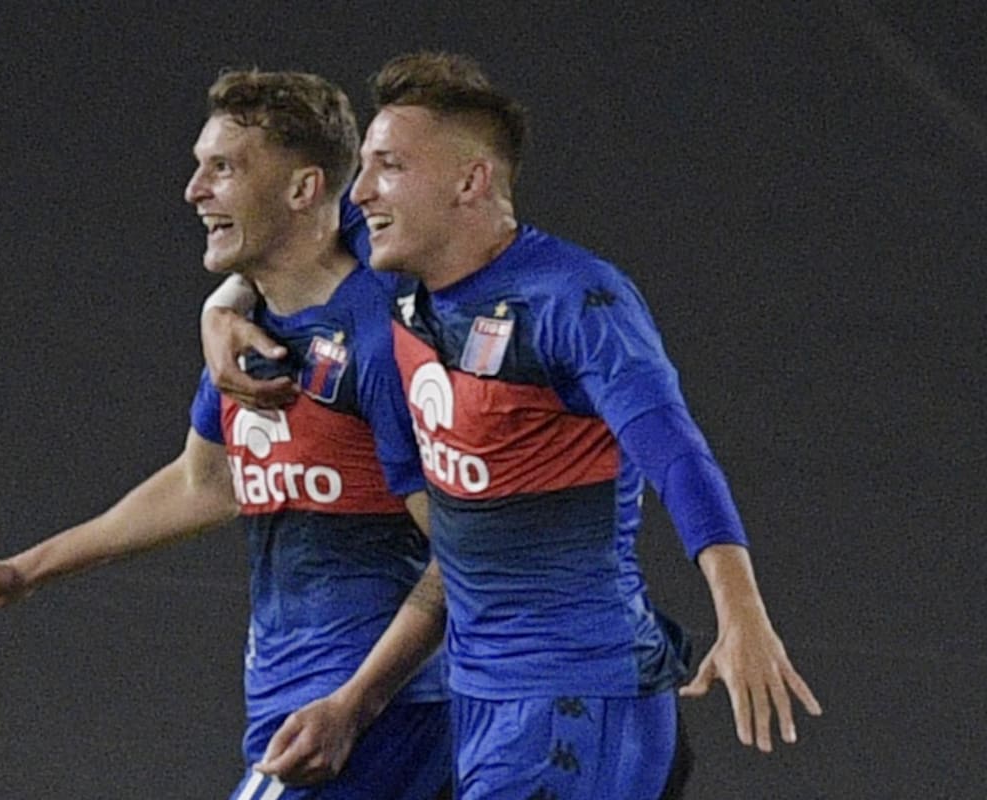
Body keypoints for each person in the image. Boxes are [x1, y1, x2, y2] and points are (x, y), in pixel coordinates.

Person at [200, 52, 822, 800]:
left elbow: (677, 455)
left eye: (388, 166)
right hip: (482, 705)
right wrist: (221, 308)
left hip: (581, 699)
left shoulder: (573, 301)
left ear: (472, 182)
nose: (360, 192)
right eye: (361, 167)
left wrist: (742, 613)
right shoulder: (397, 270)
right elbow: (282, 244)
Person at [0, 68, 452, 800]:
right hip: (309, 717)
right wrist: (22, 572)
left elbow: (469, 551)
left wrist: (358, 702)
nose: (195, 191)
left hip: (374, 723)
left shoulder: (381, 341)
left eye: (223, 169)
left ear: (302, 190)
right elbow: (207, 482)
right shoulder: (248, 339)